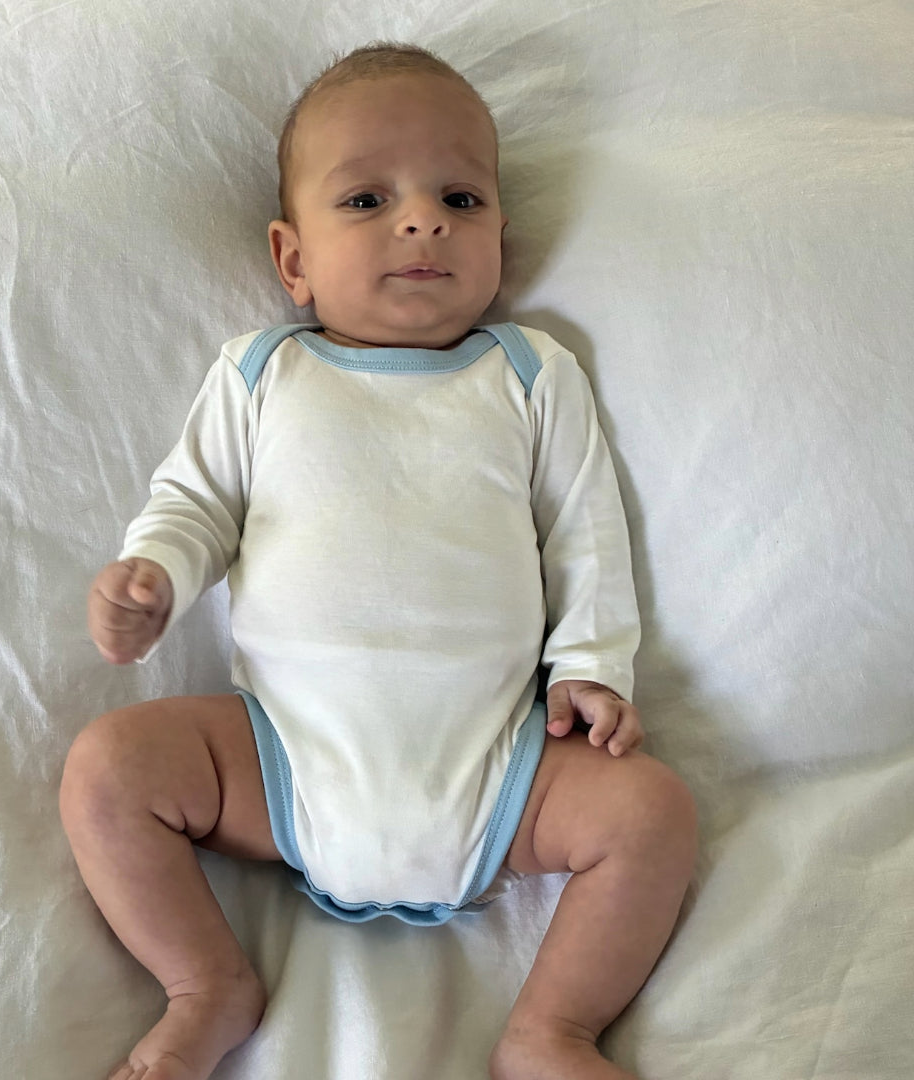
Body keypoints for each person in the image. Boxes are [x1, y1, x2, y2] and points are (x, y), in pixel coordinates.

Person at [60, 41, 698, 1080]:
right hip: (282, 758)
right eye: (366, 200)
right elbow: (197, 502)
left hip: (499, 766)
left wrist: (591, 667)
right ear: (293, 260)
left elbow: (582, 529)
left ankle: (551, 1031)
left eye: (460, 198)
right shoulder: (262, 373)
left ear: (500, 240)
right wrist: (156, 573)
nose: (422, 220)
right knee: (107, 769)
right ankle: (204, 983)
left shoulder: (528, 372)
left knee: (654, 812)